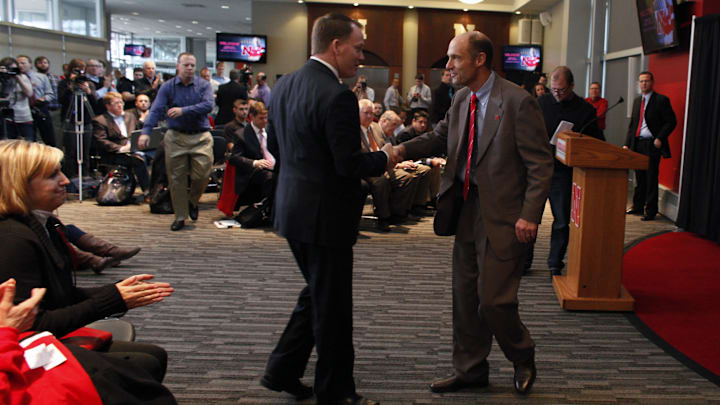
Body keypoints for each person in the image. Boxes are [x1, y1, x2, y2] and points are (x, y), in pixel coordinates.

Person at [391, 31, 553, 395]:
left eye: (455, 59)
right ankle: (470, 370)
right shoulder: (462, 98)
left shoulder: (517, 101)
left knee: (494, 300)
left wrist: (530, 214)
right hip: (464, 205)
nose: (448, 66)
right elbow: (438, 137)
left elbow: (540, 165)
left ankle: (523, 354)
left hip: (504, 214)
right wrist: (398, 151)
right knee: (465, 298)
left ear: (480, 60)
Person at [263, 13, 393, 405]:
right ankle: (335, 393)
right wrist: (387, 157)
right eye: (357, 48)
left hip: (291, 210)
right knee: (333, 307)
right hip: (324, 218)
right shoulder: (336, 96)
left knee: (317, 293)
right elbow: (348, 164)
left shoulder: (284, 86)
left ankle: (281, 370)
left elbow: (280, 150)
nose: (361, 57)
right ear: (336, 46)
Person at [0, 139, 175, 383]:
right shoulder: (13, 240)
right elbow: (34, 325)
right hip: (19, 356)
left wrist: (116, 293)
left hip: (34, 344)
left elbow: (57, 297)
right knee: (142, 367)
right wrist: (111, 299)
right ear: (19, 184)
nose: (64, 180)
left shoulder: (44, 224)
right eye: (53, 176)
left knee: (151, 358)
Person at [535, 66, 603, 277]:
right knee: (529, 217)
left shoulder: (585, 110)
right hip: (537, 168)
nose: (557, 94)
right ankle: (523, 260)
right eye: (553, 90)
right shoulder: (541, 103)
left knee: (562, 219)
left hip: (563, 172)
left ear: (572, 86)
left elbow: (598, 142)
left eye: (561, 90)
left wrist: (576, 140)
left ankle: (555, 261)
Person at [139, 52, 214, 231]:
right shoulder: (168, 87)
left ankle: (192, 202)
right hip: (175, 137)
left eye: (192, 66)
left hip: (201, 136)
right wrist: (145, 132)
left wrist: (183, 111)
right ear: (178, 66)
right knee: (176, 179)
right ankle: (180, 216)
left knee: (202, 175)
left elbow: (208, 105)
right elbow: (156, 110)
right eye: (186, 65)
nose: (189, 68)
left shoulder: (204, 85)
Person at [623, 71, 676, 221]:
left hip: (651, 144)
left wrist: (660, 137)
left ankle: (651, 210)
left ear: (652, 82)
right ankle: (637, 206)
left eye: (646, 81)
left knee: (651, 177)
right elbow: (633, 124)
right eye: (641, 81)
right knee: (639, 177)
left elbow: (671, 121)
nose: (643, 84)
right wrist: (627, 144)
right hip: (638, 144)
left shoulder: (661, 100)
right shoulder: (636, 101)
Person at [92, 92, 150, 195]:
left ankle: (160, 188)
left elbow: (137, 132)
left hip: (133, 148)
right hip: (115, 153)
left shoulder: (130, 116)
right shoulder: (100, 120)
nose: (120, 105)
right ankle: (148, 191)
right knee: (138, 159)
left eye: (121, 102)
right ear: (108, 106)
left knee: (158, 154)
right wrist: (120, 148)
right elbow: (101, 140)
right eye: (116, 103)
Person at [224, 101, 275, 211]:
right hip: (253, 171)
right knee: (270, 177)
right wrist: (255, 163)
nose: (265, 121)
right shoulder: (241, 134)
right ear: (252, 117)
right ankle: (267, 209)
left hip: (274, 165)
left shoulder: (270, 130)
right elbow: (234, 158)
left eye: (266, 118)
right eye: (261, 118)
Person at [57, 58, 98, 178]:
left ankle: (85, 175)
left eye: (82, 71)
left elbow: (94, 103)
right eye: (76, 70)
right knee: (71, 151)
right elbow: (62, 101)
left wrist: (88, 91)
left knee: (85, 150)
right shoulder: (64, 83)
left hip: (85, 120)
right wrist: (69, 89)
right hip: (71, 120)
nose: (80, 74)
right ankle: (71, 175)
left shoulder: (88, 83)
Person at [17, 55, 56, 146]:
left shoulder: (41, 77)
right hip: (24, 110)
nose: (20, 65)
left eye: (23, 63)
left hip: (40, 108)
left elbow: (50, 94)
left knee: (48, 136)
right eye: (18, 63)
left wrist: (44, 98)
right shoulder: (17, 78)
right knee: (29, 139)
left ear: (30, 64)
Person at [0, 57, 34, 141]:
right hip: (6, 117)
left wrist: (18, 79)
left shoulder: (23, 77)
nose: (11, 71)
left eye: (14, 69)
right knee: (8, 145)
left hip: (23, 117)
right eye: (9, 69)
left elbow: (29, 93)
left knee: (27, 144)